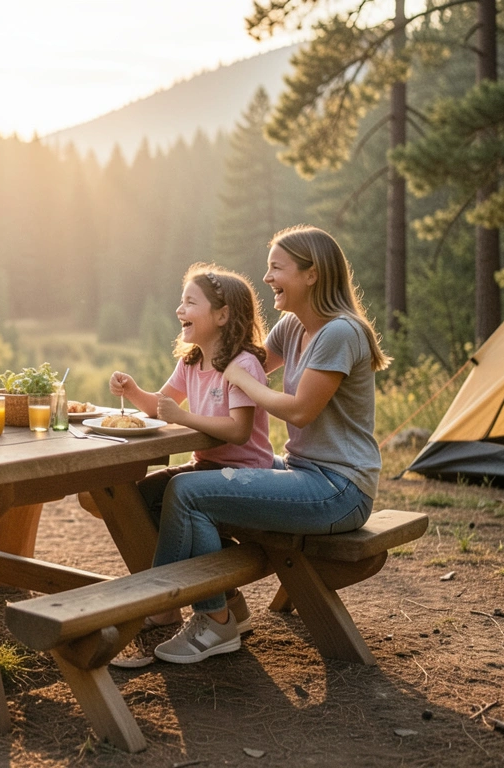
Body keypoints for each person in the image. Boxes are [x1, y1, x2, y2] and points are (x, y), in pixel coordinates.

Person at [149, 225, 392, 665]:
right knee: (163, 487)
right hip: (300, 471)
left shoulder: (340, 333)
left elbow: (299, 410)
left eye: (276, 268)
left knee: (188, 494)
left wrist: (237, 379)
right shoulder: (293, 327)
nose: (266, 279)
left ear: (312, 274)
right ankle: (223, 603)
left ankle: (207, 619)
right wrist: (202, 344)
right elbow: (242, 360)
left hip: (339, 488)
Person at [105, 264, 274, 667]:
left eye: (190, 302)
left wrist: (183, 418)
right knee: (141, 495)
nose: (180, 308)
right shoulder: (192, 361)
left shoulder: (242, 365)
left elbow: (237, 431)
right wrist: (134, 390)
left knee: (183, 497)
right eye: (181, 300)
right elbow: (161, 407)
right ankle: (226, 599)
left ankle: (185, 608)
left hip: (244, 475)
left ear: (222, 315)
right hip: (207, 469)